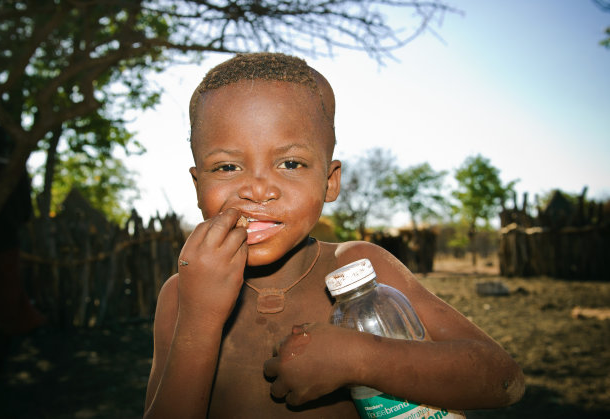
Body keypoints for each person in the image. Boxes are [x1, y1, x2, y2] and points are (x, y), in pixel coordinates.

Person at [144, 53, 525, 418]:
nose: (258, 191)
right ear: (197, 186)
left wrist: (359, 359)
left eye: (290, 163)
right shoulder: (180, 296)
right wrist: (199, 317)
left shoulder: (360, 269)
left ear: (329, 181)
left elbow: (502, 379)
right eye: (227, 166)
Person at [0, 126, 46, 373]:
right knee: (6, 298)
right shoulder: (15, 174)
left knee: (4, 299)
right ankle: (1, 357)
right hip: (5, 243)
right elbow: (25, 213)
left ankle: (0, 360)